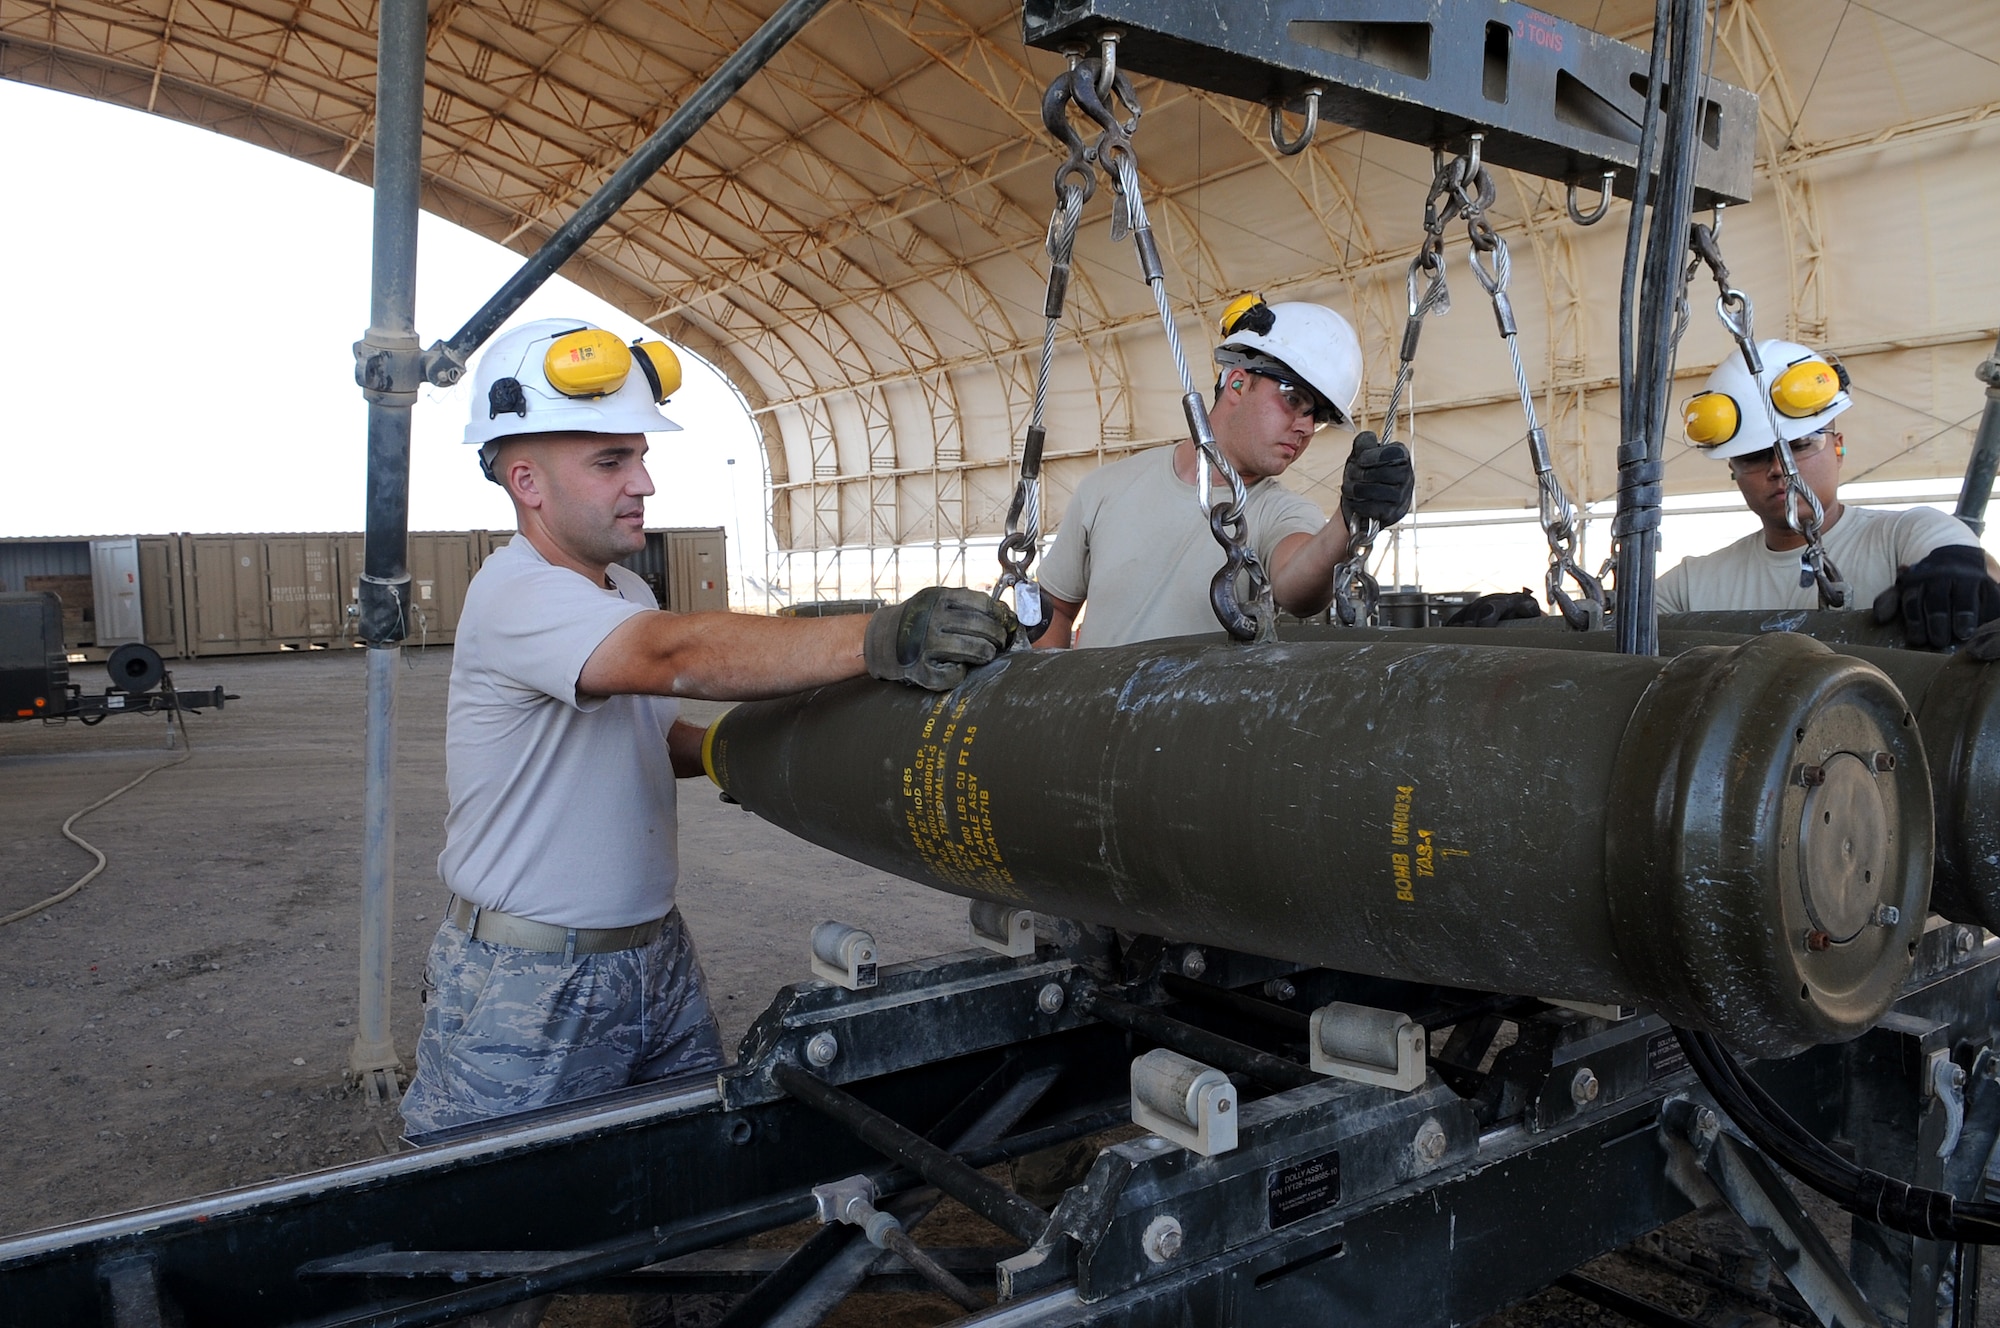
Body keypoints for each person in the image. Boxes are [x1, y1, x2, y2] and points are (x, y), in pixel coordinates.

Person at [400, 318, 1017, 1136]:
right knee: (492, 1226)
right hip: (531, 979)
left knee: (682, 1175)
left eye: (642, 456)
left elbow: (651, 739)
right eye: (612, 461)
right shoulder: (515, 593)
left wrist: (765, 753)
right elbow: (675, 654)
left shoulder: (623, 591)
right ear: (527, 481)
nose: (644, 483)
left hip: (652, 955)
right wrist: (880, 637)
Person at [1032, 296, 1415, 649]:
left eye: (1316, 419)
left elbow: (1296, 587)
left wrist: (1347, 521)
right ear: (1237, 382)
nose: (1303, 427)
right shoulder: (1105, 489)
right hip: (1090, 722)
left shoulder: (1282, 512)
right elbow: (1056, 609)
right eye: (1293, 399)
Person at [1661, 339, 2000, 649]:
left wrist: (1960, 575)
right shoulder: (1691, 585)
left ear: (1838, 448)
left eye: (1801, 446)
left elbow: (1962, 559)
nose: (1779, 469)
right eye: (1753, 456)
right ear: (1733, 471)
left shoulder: (1906, 534)